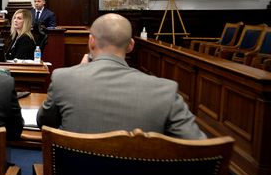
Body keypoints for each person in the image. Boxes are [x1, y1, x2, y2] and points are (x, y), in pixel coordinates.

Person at [37, 13, 206, 140]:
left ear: (91, 42)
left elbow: (44, 122)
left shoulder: (63, 78)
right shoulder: (166, 90)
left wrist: (77, 73)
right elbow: (198, 147)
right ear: (131, 45)